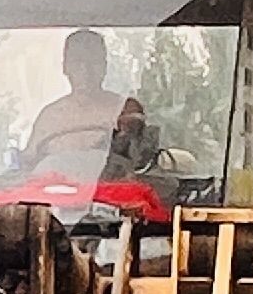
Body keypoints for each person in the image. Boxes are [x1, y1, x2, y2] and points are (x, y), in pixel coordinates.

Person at [16, 29, 156, 181]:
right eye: (77, 62)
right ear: (65, 67)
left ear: (104, 66)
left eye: (93, 62)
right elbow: (29, 165)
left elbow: (137, 159)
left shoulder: (125, 109)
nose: (85, 70)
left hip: (111, 195)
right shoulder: (50, 116)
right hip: (54, 197)